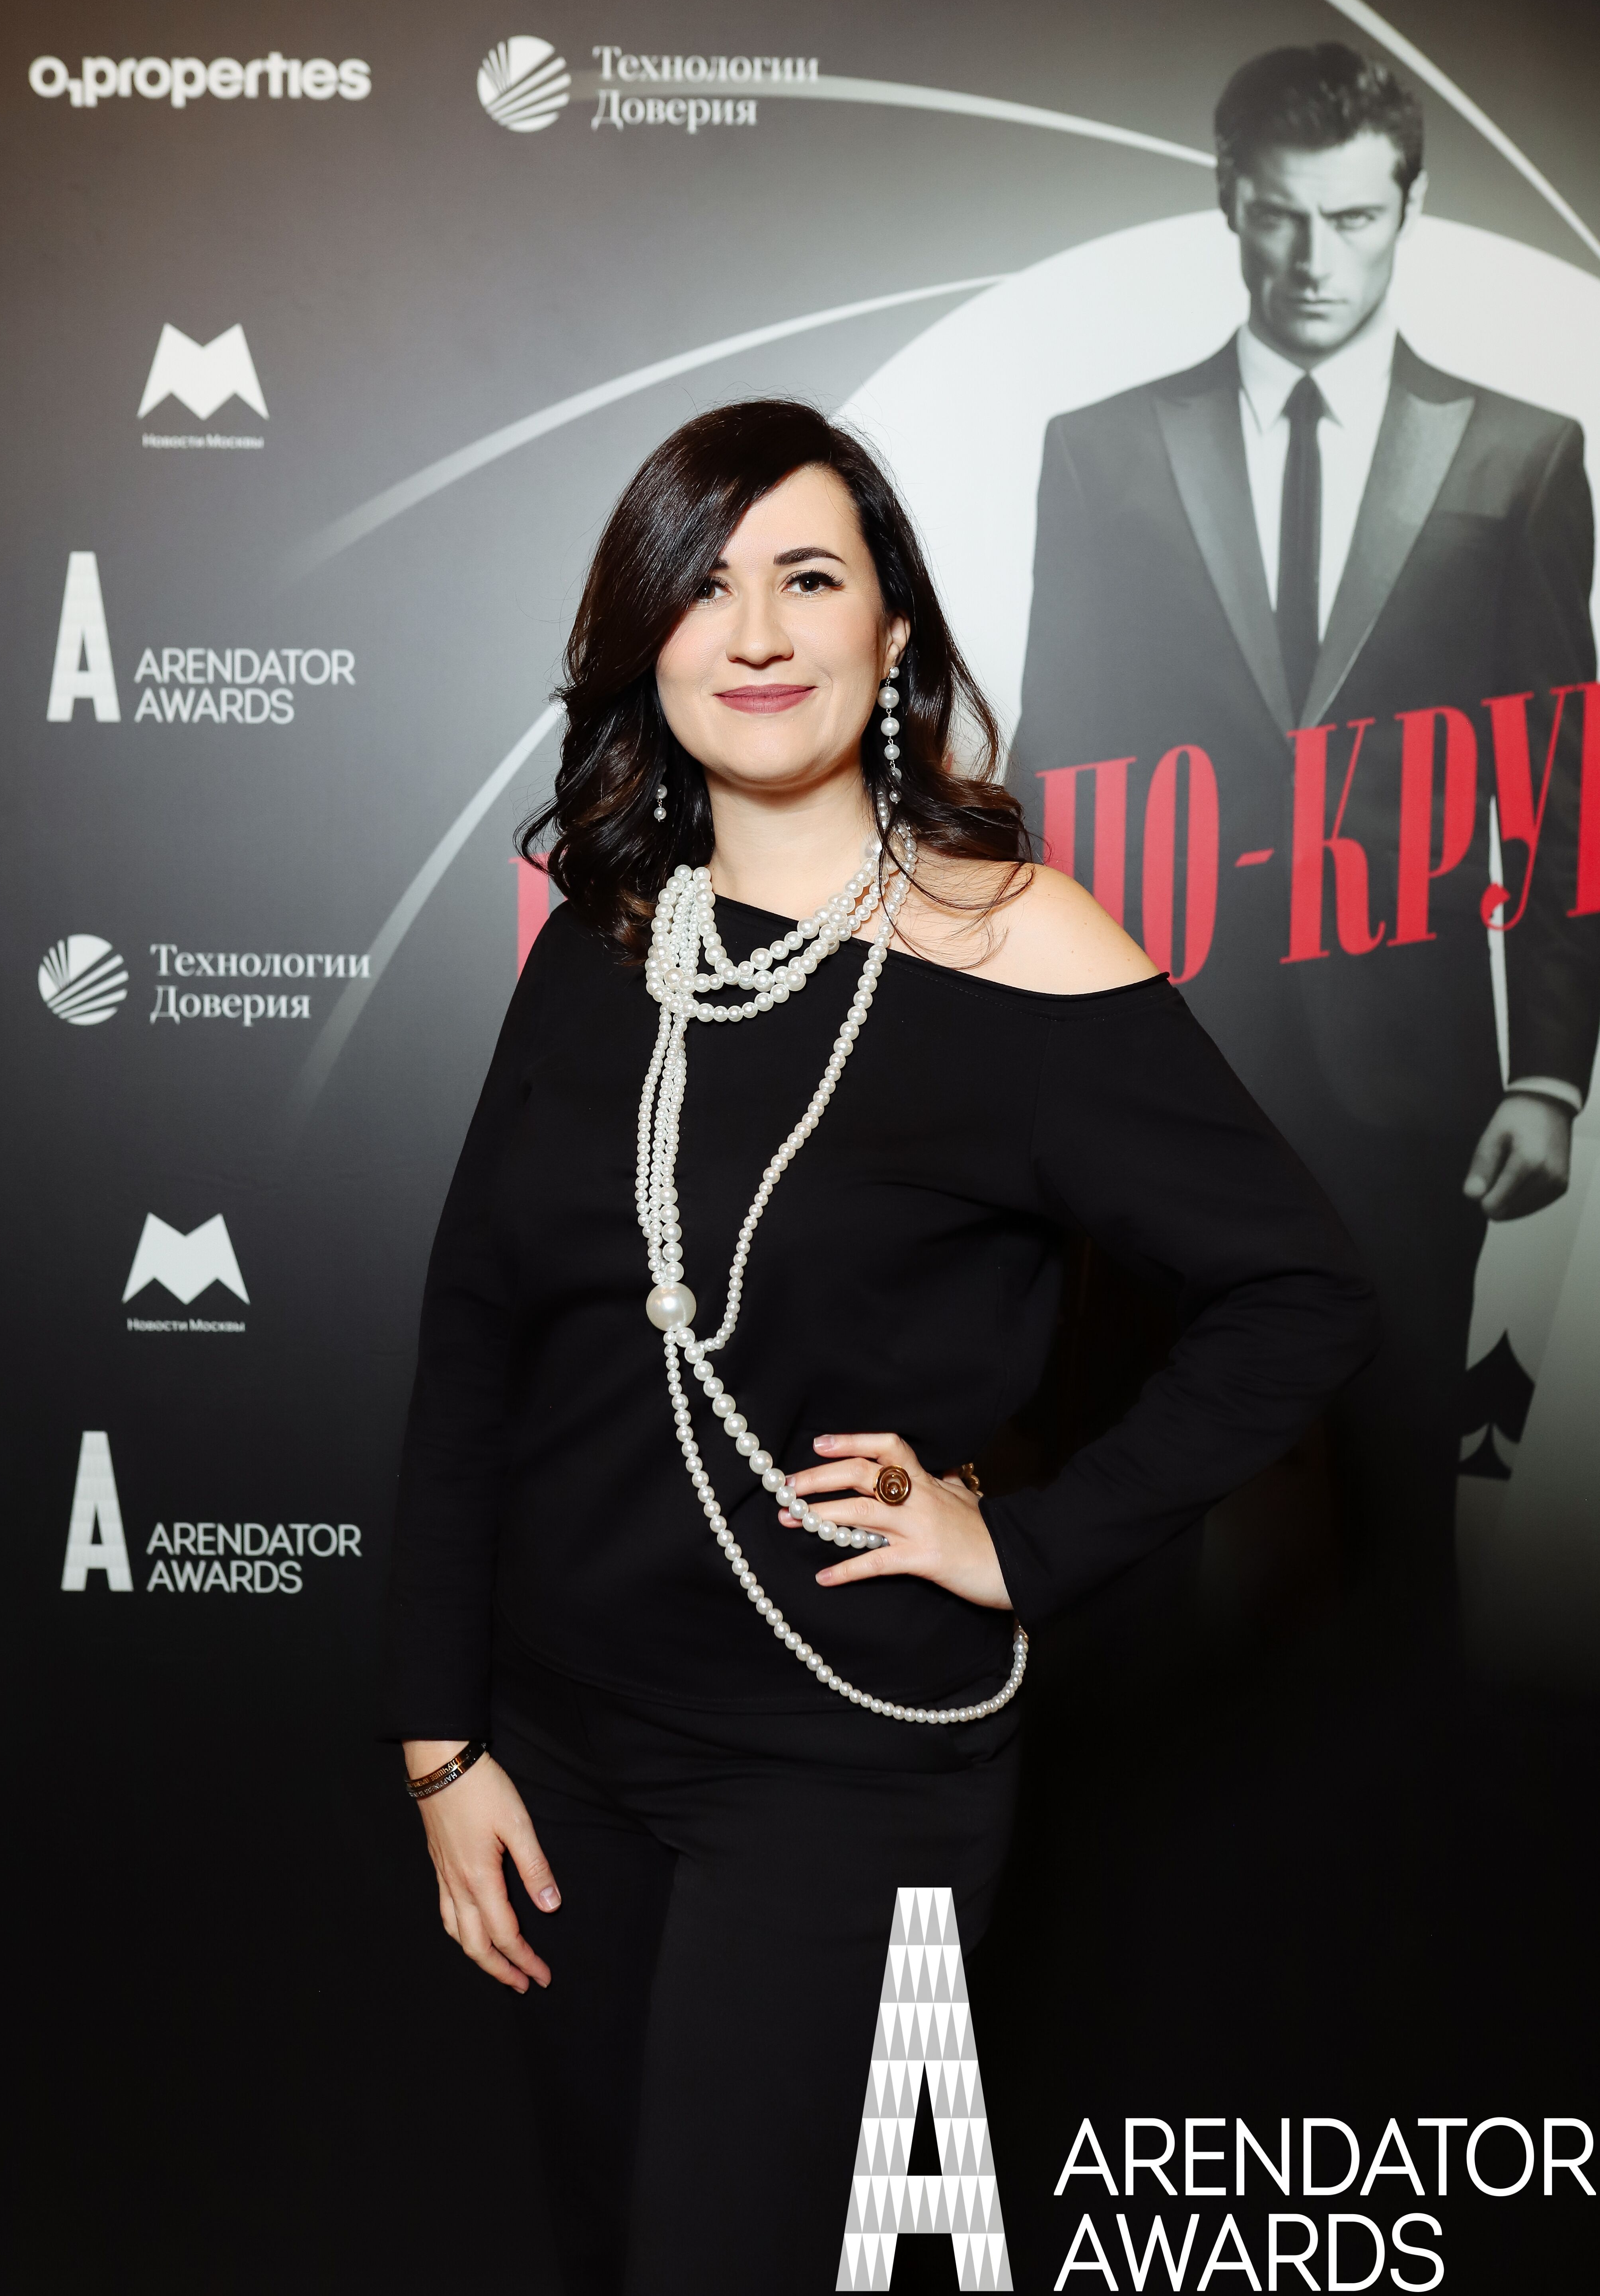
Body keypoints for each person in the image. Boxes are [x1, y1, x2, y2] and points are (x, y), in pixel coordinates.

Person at [380, 399, 1377, 2295]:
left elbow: (1303, 1293)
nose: (755, 632)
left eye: (809, 578)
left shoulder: (1019, 947)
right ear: (647, 637)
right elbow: (475, 1337)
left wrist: (1026, 1542)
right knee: (603, 2247)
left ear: (893, 627)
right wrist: (443, 1744)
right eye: (704, 585)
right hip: (560, 1757)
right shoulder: (606, 938)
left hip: (835, 1761)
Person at [1008, 43, 1600, 1618]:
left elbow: (1556, 786)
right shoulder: (1103, 447)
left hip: (1409, 1077)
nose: (1316, 260)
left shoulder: (1523, 456)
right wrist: (1040, 1046)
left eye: (1353, 219)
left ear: (1409, 208)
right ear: (1230, 202)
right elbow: (1059, 763)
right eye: (1282, 217)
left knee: (1402, 1501)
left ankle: (1399, 1768)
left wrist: (1548, 1072)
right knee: (1125, 1490)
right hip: (1163, 1059)